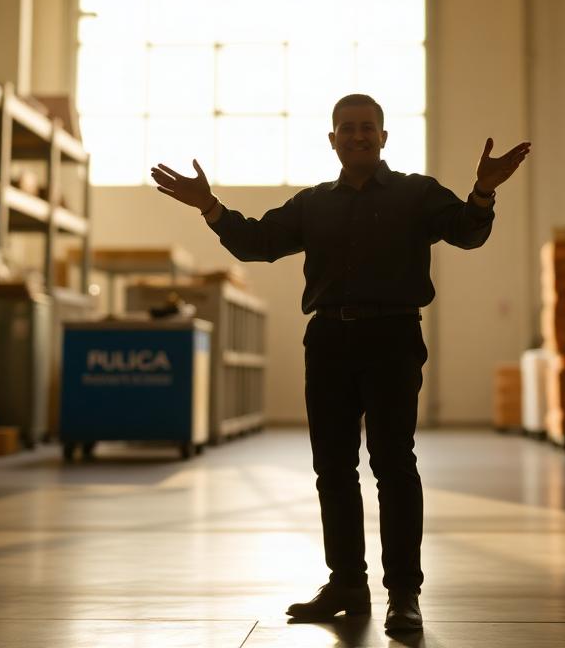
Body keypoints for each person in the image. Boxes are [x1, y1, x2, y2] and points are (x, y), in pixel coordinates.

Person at [151, 93, 530, 635]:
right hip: (328, 339)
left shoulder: (416, 193)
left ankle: (404, 593)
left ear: (383, 137)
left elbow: (468, 232)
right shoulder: (313, 204)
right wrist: (210, 207)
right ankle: (348, 582)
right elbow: (258, 242)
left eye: (367, 127)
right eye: (347, 128)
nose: (358, 136)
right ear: (332, 139)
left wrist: (484, 191)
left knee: (393, 463)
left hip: (394, 337)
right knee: (333, 467)